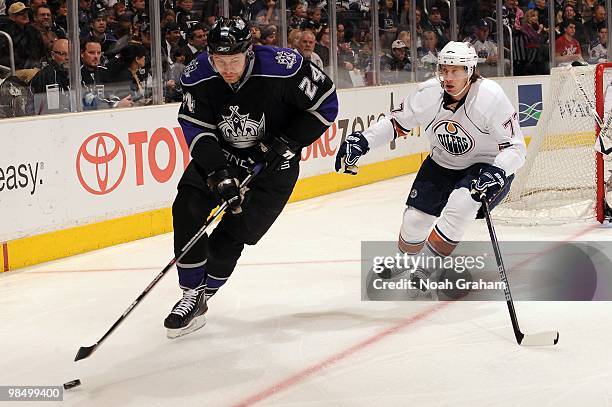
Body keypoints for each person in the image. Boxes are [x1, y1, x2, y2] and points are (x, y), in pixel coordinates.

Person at [164, 16, 338, 338]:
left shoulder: (284, 67)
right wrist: (219, 172)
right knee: (187, 207)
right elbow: (197, 130)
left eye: (233, 60)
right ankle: (189, 293)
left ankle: (204, 296)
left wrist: (286, 142)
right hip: (223, 157)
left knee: (232, 234)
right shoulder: (198, 74)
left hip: (274, 168)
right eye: (219, 61)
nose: (227, 69)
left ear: (250, 51)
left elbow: (326, 105)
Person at [334, 41, 526, 296]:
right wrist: (364, 140)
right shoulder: (428, 93)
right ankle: (404, 260)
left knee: (462, 203)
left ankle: (428, 266)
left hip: (485, 165)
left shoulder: (490, 97)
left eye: (455, 71)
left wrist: (498, 171)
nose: (448, 77)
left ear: (470, 70)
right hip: (442, 162)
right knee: (415, 220)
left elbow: (516, 148)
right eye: (444, 70)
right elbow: (395, 124)